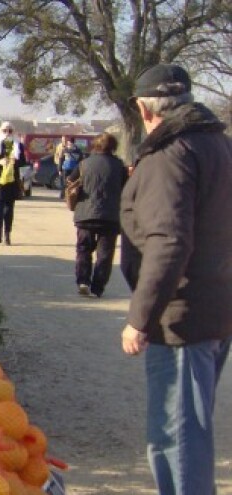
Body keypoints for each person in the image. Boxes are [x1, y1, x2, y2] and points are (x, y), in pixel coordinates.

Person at [120, 63, 232, 494]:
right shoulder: (218, 145)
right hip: (213, 307)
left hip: (183, 316)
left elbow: (169, 242)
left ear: (144, 108)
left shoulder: (173, 153)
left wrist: (140, 318)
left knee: (177, 439)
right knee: (189, 431)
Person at [67, 132, 126, 298]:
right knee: (105, 254)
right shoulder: (119, 166)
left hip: (85, 214)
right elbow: (126, 189)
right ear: (113, 147)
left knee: (83, 249)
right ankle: (98, 287)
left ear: (95, 145)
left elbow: (70, 181)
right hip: (110, 216)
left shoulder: (84, 164)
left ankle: (83, 281)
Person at [0, 121, 26, 245]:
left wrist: (15, 161)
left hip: (12, 180)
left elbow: (23, 161)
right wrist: (0, 162)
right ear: (1, 131)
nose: (7, 133)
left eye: (10, 131)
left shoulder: (18, 145)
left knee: (9, 209)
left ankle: (7, 234)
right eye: (5, 130)